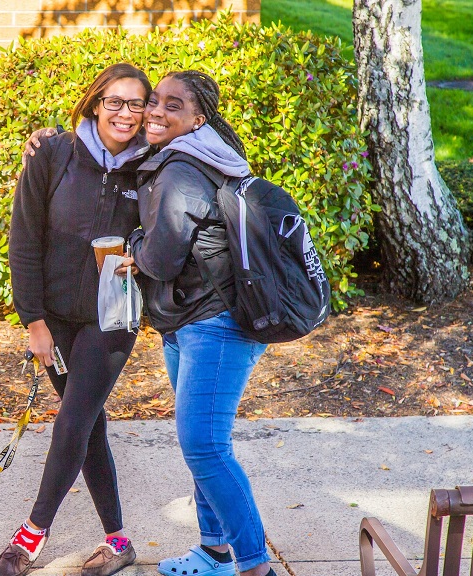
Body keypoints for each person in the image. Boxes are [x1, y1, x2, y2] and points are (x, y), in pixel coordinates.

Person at [0, 62, 152, 576]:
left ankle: (29, 539)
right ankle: (119, 540)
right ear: (95, 103)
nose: (125, 114)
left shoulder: (155, 166)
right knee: (90, 426)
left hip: (113, 320)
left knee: (75, 419)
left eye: (137, 104)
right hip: (56, 320)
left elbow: (175, 229)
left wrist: (142, 257)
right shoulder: (54, 154)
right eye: (115, 102)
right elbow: (24, 242)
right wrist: (33, 322)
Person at [120, 70, 279, 576]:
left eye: (173, 105)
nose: (155, 113)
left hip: (216, 322)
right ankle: (214, 552)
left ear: (197, 119)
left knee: (205, 445)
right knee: (205, 444)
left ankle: (256, 567)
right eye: (154, 103)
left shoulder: (182, 170)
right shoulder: (201, 155)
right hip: (190, 320)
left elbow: (162, 258)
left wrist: (132, 250)